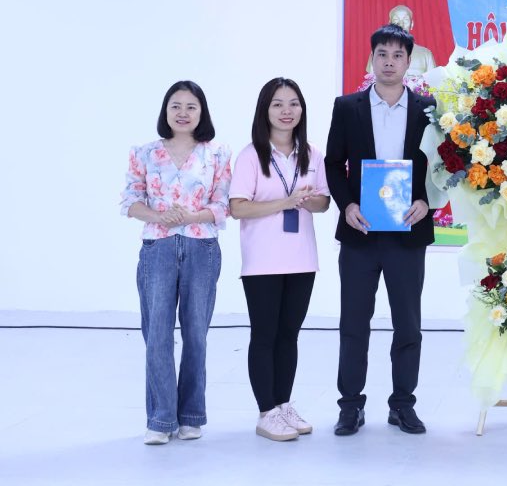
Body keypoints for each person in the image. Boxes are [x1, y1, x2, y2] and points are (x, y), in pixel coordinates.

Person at [326, 24, 435, 436]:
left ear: (410, 61)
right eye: (382, 55)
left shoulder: (428, 109)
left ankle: (403, 404)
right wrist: (348, 204)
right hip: (361, 233)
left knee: (408, 324)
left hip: (408, 234)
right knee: (354, 322)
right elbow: (333, 164)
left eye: (397, 56)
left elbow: (441, 168)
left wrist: (428, 201)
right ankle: (350, 406)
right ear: (371, 59)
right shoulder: (347, 107)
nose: (389, 63)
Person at [120, 81, 231, 445]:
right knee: (157, 334)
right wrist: (158, 214)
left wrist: (190, 216)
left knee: (196, 333)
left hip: (202, 249)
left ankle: (191, 415)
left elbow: (222, 205)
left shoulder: (216, 154)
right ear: (166, 111)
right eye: (176, 106)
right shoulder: (145, 153)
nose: (183, 113)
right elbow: (130, 201)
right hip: (159, 248)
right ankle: (160, 419)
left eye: (191, 107)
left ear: (202, 113)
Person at [230, 78, 331, 442]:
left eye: (293, 103)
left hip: (302, 259)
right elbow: (237, 207)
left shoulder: (311, 153)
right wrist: (284, 203)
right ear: (265, 110)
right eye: (277, 104)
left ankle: (284, 404)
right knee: (265, 335)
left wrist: (307, 200)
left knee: (290, 334)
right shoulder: (251, 155)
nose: (287, 111)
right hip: (263, 262)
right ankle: (266, 412)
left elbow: (323, 202)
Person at [362, 4, 435, 84]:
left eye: (405, 20)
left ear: (412, 24)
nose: (401, 24)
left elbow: (434, 84)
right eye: (396, 20)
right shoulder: (379, 52)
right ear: (390, 24)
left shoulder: (425, 54)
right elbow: (372, 82)